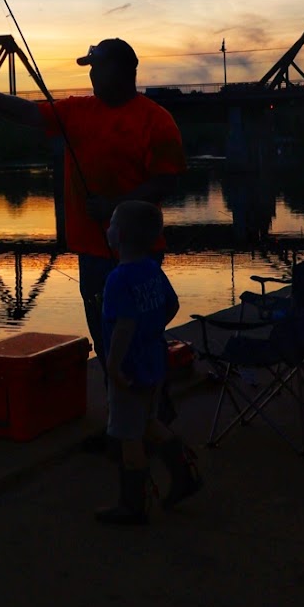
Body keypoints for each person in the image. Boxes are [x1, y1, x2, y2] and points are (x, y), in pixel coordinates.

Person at [0, 37, 187, 382]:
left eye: (95, 67)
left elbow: (167, 182)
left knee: (141, 334)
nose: (91, 76)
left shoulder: (156, 120)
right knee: (105, 338)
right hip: (92, 254)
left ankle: (147, 414)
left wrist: (115, 207)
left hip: (140, 254)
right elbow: (29, 113)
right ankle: (127, 414)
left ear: (117, 69)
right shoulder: (77, 111)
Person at [95, 200, 202, 524]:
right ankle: (185, 473)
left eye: (111, 223)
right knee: (148, 421)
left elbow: (124, 326)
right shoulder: (152, 269)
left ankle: (133, 504)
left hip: (129, 367)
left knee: (129, 435)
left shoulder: (118, 279)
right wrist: (152, 329)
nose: (107, 228)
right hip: (154, 360)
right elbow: (172, 305)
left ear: (122, 235)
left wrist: (112, 366)